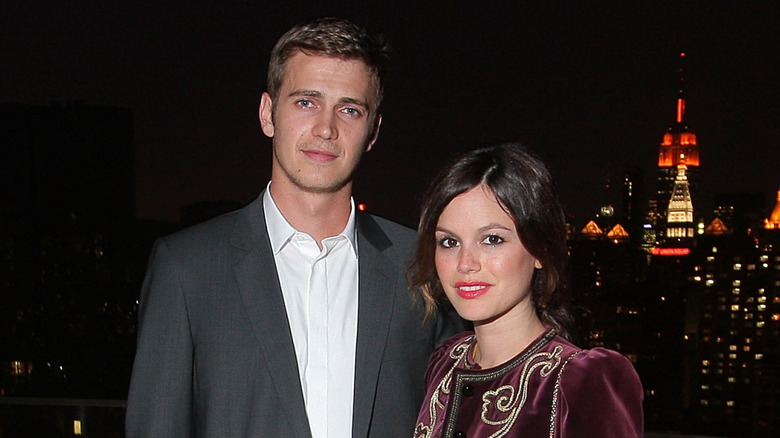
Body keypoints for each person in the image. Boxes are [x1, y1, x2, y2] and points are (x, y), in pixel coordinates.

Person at [125, 17, 459, 438]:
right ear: (268, 114)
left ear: (373, 131)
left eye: (349, 109)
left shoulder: (419, 265)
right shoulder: (187, 268)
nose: (326, 128)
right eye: (306, 102)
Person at [407, 143, 644, 437]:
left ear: (539, 250)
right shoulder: (445, 361)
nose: (465, 263)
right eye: (449, 242)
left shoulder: (581, 381)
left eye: (492, 239)